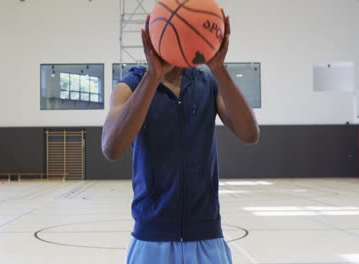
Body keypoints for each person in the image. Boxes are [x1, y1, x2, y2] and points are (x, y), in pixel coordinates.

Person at [102, 10, 259, 264]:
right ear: (153, 35)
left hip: (206, 235)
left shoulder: (208, 84)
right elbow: (111, 148)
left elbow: (250, 133)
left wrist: (218, 68)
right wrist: (153, 75)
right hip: (152, 239)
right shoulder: (130, 86)